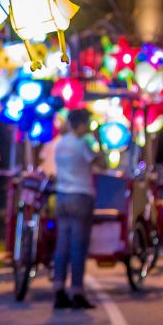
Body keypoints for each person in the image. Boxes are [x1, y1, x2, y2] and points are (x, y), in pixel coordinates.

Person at [52, 109, 101, 310]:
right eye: (87, 123)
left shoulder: (60, 144)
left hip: (62, 196)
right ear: (81, 124)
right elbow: (100, 163)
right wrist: (99, 143)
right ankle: (77, 292)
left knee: (62, 245)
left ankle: (58, 290)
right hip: (81, 196)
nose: (89, 127)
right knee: (78, 246)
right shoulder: (82, 145)